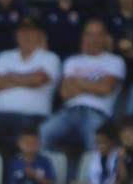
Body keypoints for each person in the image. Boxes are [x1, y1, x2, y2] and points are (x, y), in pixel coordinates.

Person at [0, 17, 61, 157]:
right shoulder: (4, 56)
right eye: (22, 32)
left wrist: (9, 76)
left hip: (33, 117)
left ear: (39, 35)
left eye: (30, 32)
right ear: (16, 35)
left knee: (21, 144)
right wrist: (27, 78)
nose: (26, 36)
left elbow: (38, 79)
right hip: (1, 116)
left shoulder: (49, 57)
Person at [39, 19, 124, 153]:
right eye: (89, 34)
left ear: (105, 38)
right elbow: (65, 92)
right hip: (69, 111)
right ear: (83, 37)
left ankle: (94, 174)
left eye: (98, 34)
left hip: (96, 113)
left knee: (97, 146)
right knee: (41, 134)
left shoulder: (114, 61)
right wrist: (95, 84)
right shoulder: (72, 61)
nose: (93, 39)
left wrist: (76, 81)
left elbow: (105, 89)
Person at [62, 120, 122, 184]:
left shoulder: (119, 157)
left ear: (112, 142)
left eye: (103, 142)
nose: (99, 145)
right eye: (97, 142)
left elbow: (119, 182)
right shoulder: (90, 157)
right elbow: (82, 181)